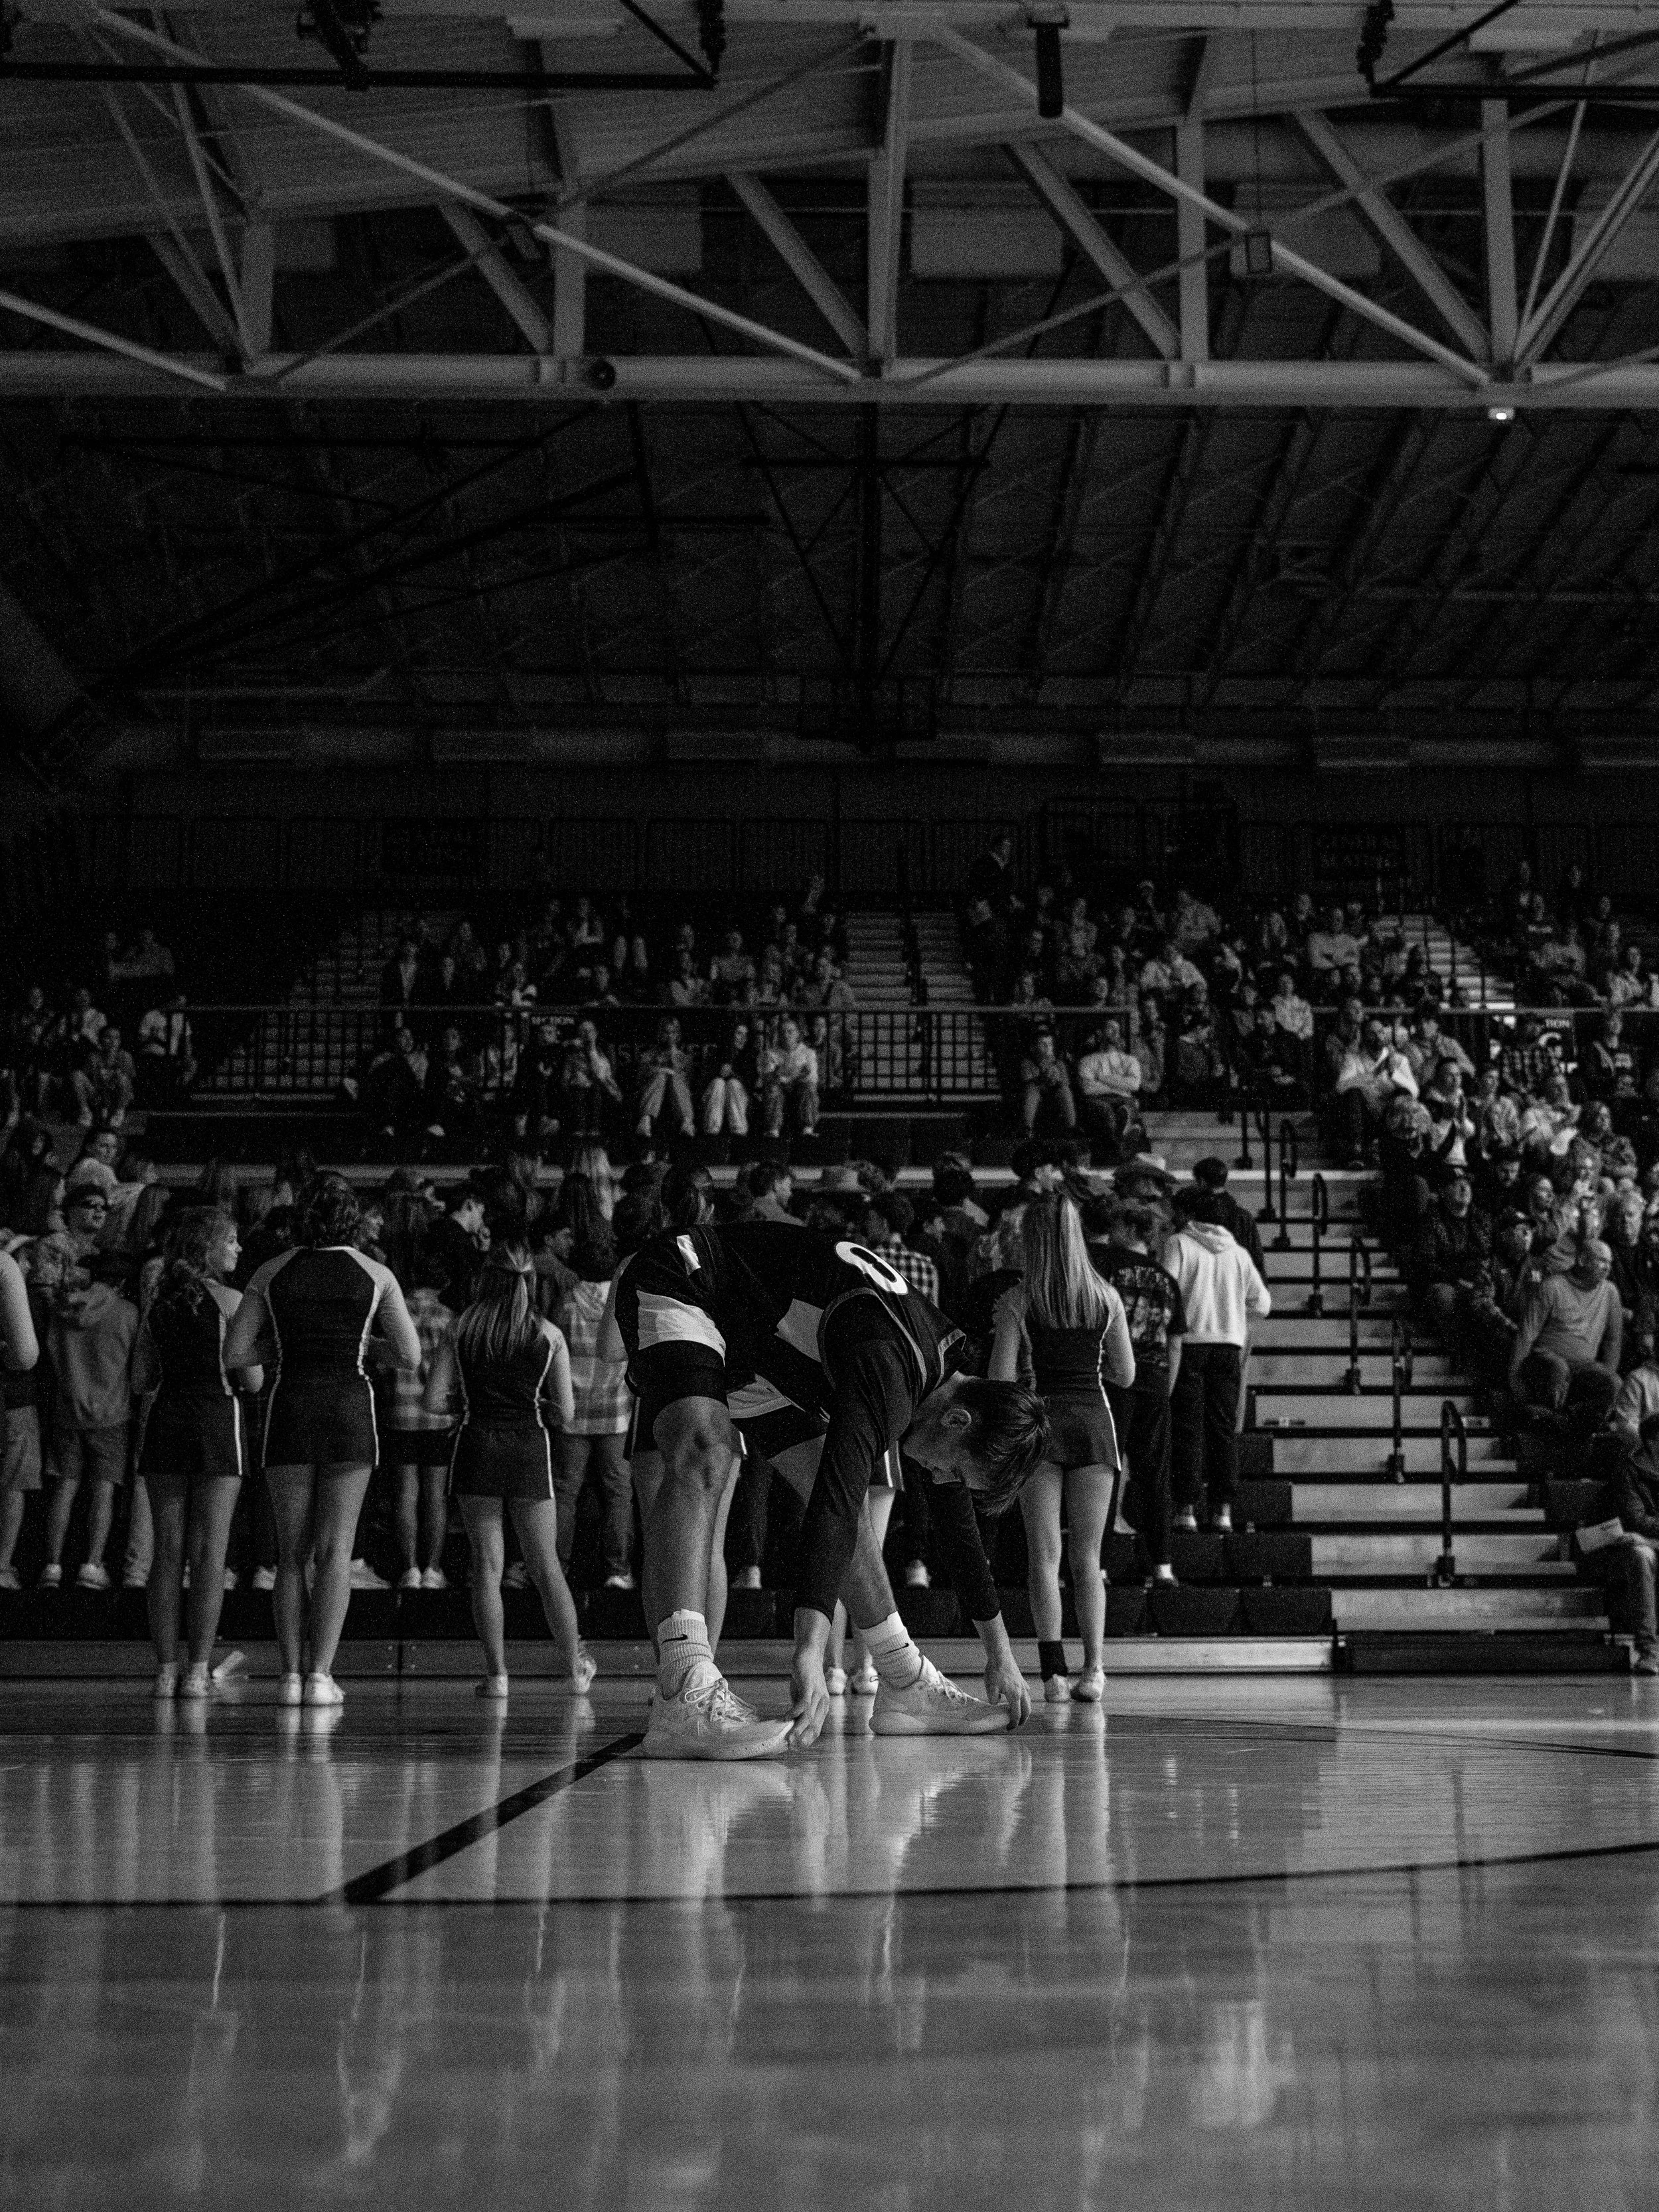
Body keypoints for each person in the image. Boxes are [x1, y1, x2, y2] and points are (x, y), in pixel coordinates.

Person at [602, 1220, 1050, 1757]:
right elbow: (833, 1506)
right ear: (957, 1421)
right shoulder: (888, 1370)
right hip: (686, 1277)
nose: (940, 1479)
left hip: (758, 1342)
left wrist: (998, 1652)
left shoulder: (941, 1370)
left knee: (833, 1490)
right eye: (954, 1469)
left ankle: (903, 1680)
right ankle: (681, 1689)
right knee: (706, 1450)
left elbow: (956, 1522)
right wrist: (810, 1652)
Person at [224, 1175, 421, 1706]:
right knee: (337, 1550)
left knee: (291, 1554)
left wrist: (293, 1341)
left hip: (291, 1407)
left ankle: (289, 1676)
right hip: (349, 1410)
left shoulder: (272, 1270)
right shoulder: (376, 1272)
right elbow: (409, 1354)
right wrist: (357, 1344)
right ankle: (319, 1675)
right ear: (354, 1218)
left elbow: (236, 1354)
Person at [423, 1244, 593, 1700]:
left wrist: (465, 1401)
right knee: (546, 1566)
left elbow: (432, 1401)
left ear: (485, 1279)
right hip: (528, 1449)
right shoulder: (549, 1334)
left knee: (487, 1566)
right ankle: (574, 1666)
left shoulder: (461, 1329)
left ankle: (497, 1674)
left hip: (476, 1444)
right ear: (531, 1281)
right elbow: (567, 1414)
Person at [989, 1195, 1133, 1705]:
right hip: (1095, 1424)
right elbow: (1127, 1374)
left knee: (1043, 1555)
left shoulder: (1018, 1300)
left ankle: (1053, 1674)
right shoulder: (1105, 1297)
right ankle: (1094, 1669)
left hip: (1040, 1426)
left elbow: (1001, 1382)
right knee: (1087, 1559)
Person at [133, 1209, 262, 1699]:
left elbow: (140, 1379)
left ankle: (164, 1670)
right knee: (210, 1553)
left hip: (167, 1421)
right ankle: (197, 1671)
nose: (239, 1249)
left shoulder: (157, 1303)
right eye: (231, 1241)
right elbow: (253, 1381)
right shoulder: (232, 1301)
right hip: (216, 1423)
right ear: (206, 1248)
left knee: (166, 1553)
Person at [1086, 1196, 1183, 1589]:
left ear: (1127, 1229)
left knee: (1107, 1471)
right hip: (1156, 1382)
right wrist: (1166, 1390)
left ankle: (1100, 1566)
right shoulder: (1167, 1278)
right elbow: (1176, 1342)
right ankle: (1161, 1565)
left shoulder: (1108, 1267)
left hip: (1113, 1380)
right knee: (1154, 1476)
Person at [1161, 1191, 1270, 1534]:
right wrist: (1237, 1316)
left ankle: (1186, 1510)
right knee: (1222, 1430)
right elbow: (1263, 1303)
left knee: (1188, 1427)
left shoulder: (1178, 1243)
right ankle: (1223, 1510)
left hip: (1190, 1345)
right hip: (1228, 1348)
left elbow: (1166, 1287)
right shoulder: (1239, 1253)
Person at [553, 1215, 635, 1592]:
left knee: (567, 1491)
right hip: (616, 1411)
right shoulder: (621, 1302)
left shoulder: (566, 1304)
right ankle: (617, 1571)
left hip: (572, 1411)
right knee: (617, 1491)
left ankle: (558, 1567)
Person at [1508, 1239, 1622, 1430]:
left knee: (1614, 1382)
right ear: (1583, 1260)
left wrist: (1608, 1371)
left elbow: (1613, 1340)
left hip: (1584, 1367)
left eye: (1609, 1263)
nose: (1607, 1268)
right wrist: (1514, 1376)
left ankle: (1568, 1423)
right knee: (1558, 1368)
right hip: (1546, 1360)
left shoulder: (1610, 1292)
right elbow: (1527, 1333)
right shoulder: (1552, 1287)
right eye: (1602, 1261)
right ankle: (1550, 1425)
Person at [0, 1246, 40, 1591]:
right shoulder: (4, 1266)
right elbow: (26, 1354)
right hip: (12, 1396)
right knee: (13, 1482)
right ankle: (1, 1565)